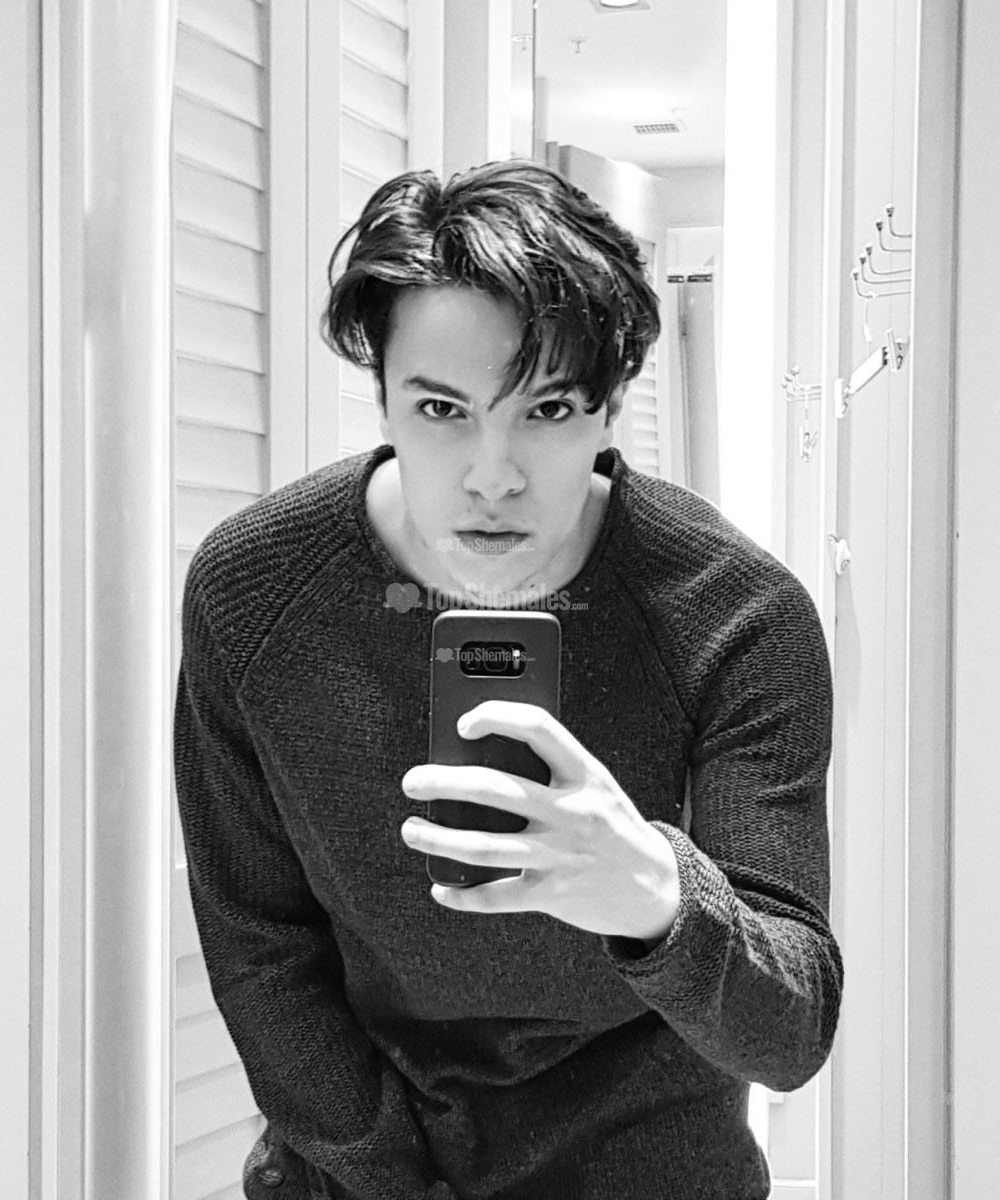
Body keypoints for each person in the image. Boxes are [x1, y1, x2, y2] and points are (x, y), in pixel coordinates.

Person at [173, 160, 842, 1200]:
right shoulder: (254, 592)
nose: (493, 475)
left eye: (548, 407)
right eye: (443, 408)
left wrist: (656, 897)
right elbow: (260, 949)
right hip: (354, 1171)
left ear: (610, 408)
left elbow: (790, 1031)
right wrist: (385, 1177)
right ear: (383, 398)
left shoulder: (734, 615)